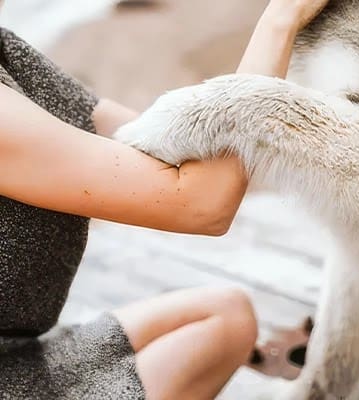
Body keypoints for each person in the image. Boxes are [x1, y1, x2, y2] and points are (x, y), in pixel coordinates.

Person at [0, 0, 328, 399]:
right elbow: (200, 204)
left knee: (228, 315)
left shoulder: (7, 51)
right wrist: (281, 18)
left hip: (19, 353)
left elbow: (150, 139)